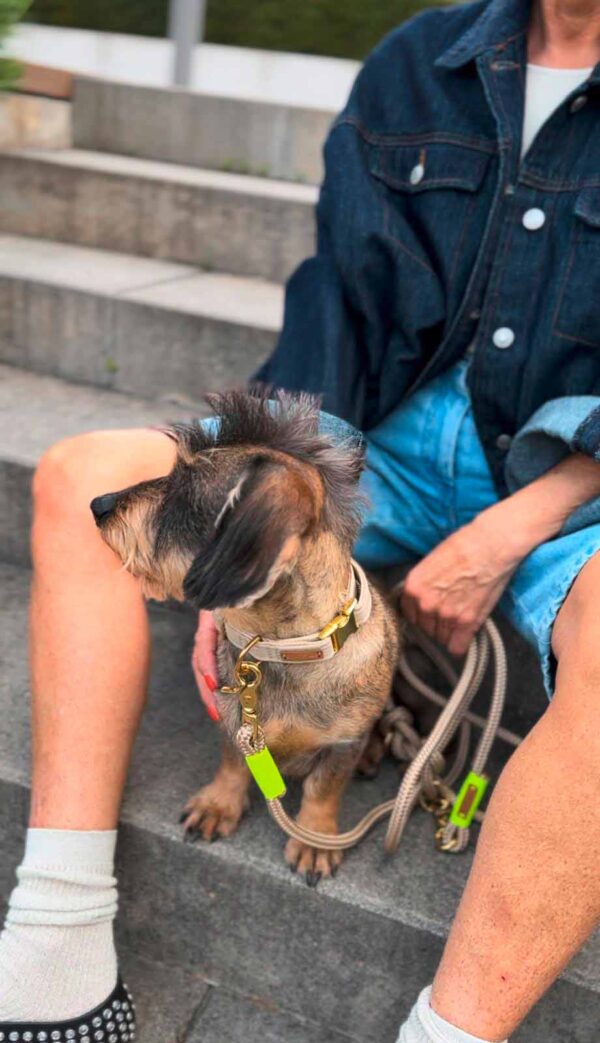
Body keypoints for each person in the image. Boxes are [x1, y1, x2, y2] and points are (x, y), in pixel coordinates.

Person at [1, 0, 598, 1040]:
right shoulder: (418, 60)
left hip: (568, 480)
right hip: (374, 442)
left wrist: (514, 526)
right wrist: (234, 538)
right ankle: (58, 945)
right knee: (75, 474)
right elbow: (339, 296)